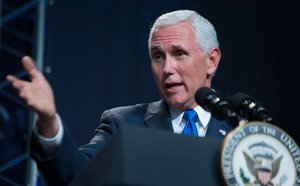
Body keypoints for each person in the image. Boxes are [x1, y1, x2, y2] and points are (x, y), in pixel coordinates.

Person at [6, 10, 233, 185]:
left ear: (211, 61)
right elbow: (78, 177)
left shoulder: (242, 129)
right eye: (157, 56)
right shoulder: (123, 123)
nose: (167, 68)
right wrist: (49, 121)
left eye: (179, 53)